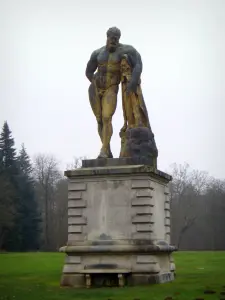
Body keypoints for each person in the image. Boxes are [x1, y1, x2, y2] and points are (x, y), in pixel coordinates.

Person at [85, 27, 142, 158]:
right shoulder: (98, 53)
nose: (114, 41)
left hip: (111, 87)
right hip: (96, 88)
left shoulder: (126, 50)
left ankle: (103, 150)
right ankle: (107, 149)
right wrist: (94, 81)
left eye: (116, 39)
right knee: (99, 120)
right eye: (112, 38)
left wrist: (133, 81)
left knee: (106, 117)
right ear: (107, 37)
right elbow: (88, 71)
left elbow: (138, 63)